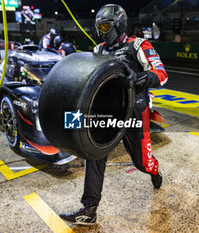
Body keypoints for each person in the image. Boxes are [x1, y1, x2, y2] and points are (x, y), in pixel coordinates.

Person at [59, 4, 168, 226]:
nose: (102, 31)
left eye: (106, 26)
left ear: (119, 24)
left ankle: (154, 171)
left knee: (142, 163)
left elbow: (162, 74)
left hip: (135, 111)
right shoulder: (98, 50)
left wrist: (144, 77)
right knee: (94, 154)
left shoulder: (138, 45)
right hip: (107, 111)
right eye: (99, 27)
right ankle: (89, 209)